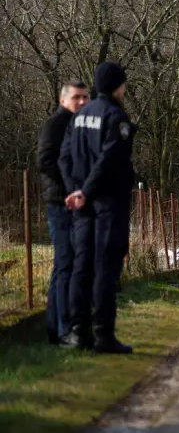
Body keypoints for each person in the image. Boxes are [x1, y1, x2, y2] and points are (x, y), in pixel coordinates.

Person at [59, 61, 138, 353]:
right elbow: (109, 160)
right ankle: (104, 334)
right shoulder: (115, 117)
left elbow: (64, 157)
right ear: (117, 86)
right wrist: (87, 191)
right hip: (107, 204)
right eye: (123, 85)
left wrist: (74, 191)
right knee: (105, 265)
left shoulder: (79, 116)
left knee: (82, 265)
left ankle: (78, 331)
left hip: (81, 204)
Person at [38, 79, 89, 344]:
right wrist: (70, 186)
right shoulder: (56, 124)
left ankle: (62, 327)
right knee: (65, 263)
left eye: (85, 97)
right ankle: (60, 329)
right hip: (60, 202)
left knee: (70, 263)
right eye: (76, 97)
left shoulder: (80, 126)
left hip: (75, 202)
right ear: (63, 100)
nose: (81, 102)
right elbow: (45, 160)